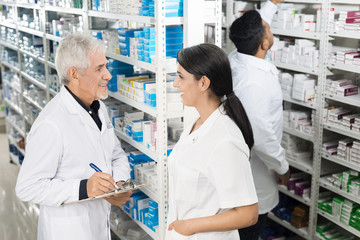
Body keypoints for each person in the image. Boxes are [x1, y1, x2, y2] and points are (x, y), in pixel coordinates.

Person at [15, 33, 132, 240]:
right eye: (99, 68)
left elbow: (116, 155)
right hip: (67, 231)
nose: (108, 75)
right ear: (75, 74)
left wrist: (118, 184)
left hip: (98, 225)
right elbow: (27, 187)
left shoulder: (98, 107)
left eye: (106, 66)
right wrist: (83, 188)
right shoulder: (51, 124)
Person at [165, 43, 258, 240]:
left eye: (181, 77)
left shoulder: (225, 139)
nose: (175, 83)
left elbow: (248, 214)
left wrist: (190, 226)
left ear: (203, 83)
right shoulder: (197, 122)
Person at [228, 1, 290, 239]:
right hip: (255, 174)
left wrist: (271, 5)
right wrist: (282, 166)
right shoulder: (256, 83)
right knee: (248, 230)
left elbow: (254, 28)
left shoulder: (237, 56)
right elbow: (261, 136)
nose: (270, 29)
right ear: (264, 44)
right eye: (269, 29)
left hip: (241, 170)